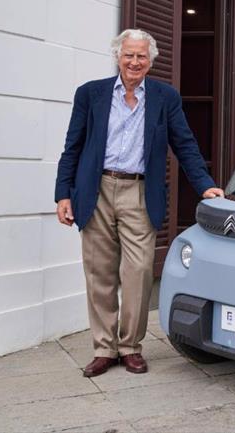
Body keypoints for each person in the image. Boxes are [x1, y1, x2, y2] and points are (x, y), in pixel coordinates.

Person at [54, 29, 224, 377]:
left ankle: (130, 346)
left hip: (139, 191)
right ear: (118, 56)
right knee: (99, 272)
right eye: (129, 55)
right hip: (96, 189)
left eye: (141, 56)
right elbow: (72, 146)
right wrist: (63, 194)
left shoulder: (165, 97)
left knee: (140, 270)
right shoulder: (91, 94)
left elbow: (185, 144)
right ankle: (104, 348)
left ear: (150, 60)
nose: (134, 62)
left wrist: (205, 185)